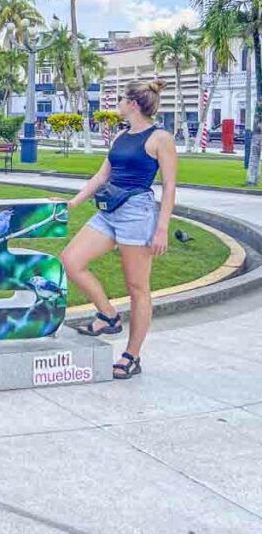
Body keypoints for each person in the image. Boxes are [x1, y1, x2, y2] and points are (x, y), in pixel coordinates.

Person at [59, 79, 177, 380]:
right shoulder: (121, 136)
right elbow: (102, 174)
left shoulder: (160, 137)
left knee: (137, 288)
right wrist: (73, 202)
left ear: (134, 104)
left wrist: (162, 228)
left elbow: (169, 185)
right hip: (109, 211)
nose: (118, 104)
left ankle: (132, 355)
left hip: (137, 214)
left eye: (122, 99)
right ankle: (108, 315)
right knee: (70, 261)